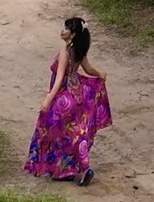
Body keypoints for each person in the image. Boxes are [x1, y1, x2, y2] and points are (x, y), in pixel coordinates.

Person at [27, 15, 111, 185]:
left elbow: (59, 80)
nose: (62, 30)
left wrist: (48, 100)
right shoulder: (79, 52)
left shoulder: (65, 52)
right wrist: (100, 74)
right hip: (77, 96)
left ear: (72, 34)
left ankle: (66, 167)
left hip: (63, 98)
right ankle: (73, 168)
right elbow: (88, 69)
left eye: (66, 28)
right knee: (75, 134)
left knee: (51, 130)